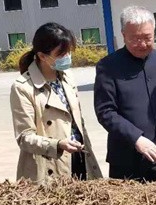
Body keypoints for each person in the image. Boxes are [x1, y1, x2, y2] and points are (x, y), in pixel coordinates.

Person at [94, 5, 156, 182]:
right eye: (135, 39)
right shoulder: (108, 67)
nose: (142, 44)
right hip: (127, 162)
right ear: (123, 35)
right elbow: (106, 112)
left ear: (154, 33)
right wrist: (136, 138)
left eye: (147, 37)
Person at [10, 22, 102, 183]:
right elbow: (24, 137)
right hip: (49, 164)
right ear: (42, 56)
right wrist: (57, 144)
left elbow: (78, 123)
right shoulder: (23, 87)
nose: (67, 57)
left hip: (79, 157)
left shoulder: (67, 77)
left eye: (69, 52)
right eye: (61, 54)